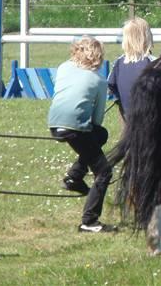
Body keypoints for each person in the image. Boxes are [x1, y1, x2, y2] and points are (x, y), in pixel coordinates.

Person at [107, 17, 161, 227]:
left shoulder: (117, 64)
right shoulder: (154, 64)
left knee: (136, 168)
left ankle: (140, 208)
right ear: (146, 37)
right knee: (160, 168)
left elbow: (113, 91)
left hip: (130, 125)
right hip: (153, 124)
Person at [48, 36, 115, 233]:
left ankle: (74, 177)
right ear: (98, 57)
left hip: (54, 123)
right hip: (76, 127)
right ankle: (90, 221)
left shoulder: (63, 67)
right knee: (104, 171)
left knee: (100, 135)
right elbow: (97, 120)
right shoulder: (98, 80)